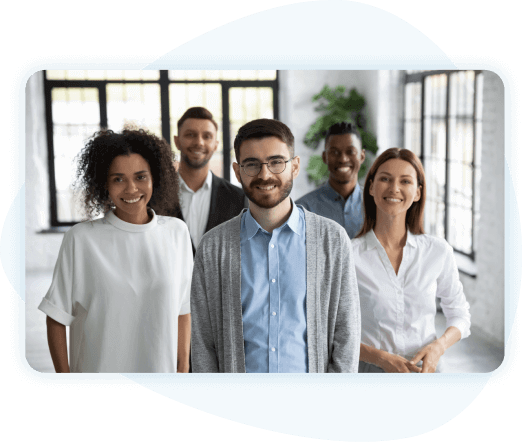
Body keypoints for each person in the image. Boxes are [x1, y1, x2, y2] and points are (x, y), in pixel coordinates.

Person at [190, 118, 361, 373]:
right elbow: (203, 343)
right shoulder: (213, 247)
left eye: (276, 162)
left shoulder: (332, 240)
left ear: (294, 166)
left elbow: (346, 333)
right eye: (252, 164)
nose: (265, 174)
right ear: (237, 172)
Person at [38, 128, 193, 373]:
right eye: (118, 179)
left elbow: (183, 310)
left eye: (141, 177)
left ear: (156, 178)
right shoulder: (81, 239)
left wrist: (182, 372)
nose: (131, 189)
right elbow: (56, 317)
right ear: (104, 184)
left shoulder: (177, 233)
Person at [352, 147, 471, 373]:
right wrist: (381, 358)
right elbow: (333, 330)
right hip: (370, 374)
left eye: (405, 181)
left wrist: (439, 346)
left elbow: (460, 314)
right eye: (385, 179)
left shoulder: (438, 251)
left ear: (417, 192)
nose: (394, 188)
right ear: (370, 187)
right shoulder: (349, 254)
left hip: (426, 373)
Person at [170, 107, 248, 253]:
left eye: (207, 136)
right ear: (177, 141)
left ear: (216, 144)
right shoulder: (157, 194)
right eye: (190, 135)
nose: (199, 142)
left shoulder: (237, 198)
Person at [296, 122, 365, 238]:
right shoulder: (303, 210)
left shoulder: (377, 205)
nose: (343, 159)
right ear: (324, 157)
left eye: (350, 151)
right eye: (334, 152)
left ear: (362, 156)